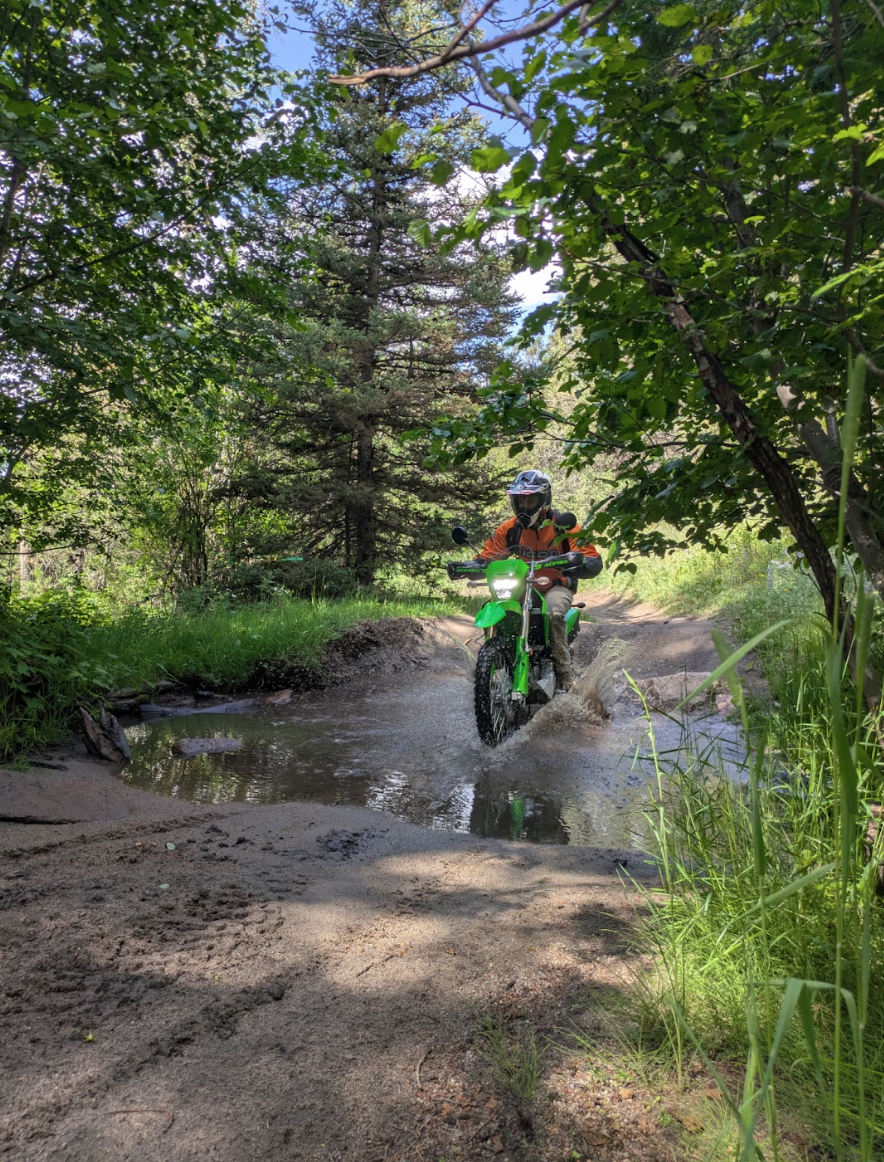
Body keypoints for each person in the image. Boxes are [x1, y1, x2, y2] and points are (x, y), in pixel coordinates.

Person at [476, 470, 603, 691]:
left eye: (530, 500)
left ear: (544, 499)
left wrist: (579, 562)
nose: (524, 506)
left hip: (555, 585)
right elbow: (487, 556)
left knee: (553, 613)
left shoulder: (565, 526)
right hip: (522, 585)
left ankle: (565, 677)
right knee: (494, 606)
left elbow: (592, 559)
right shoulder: (510, 530)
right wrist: (469, 565)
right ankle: (494, 665)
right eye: (520, 500)